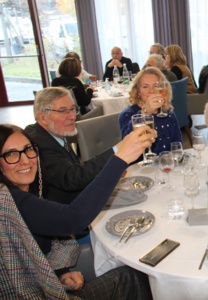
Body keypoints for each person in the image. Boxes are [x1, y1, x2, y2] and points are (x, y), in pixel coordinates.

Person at [0, 124, 154, 298]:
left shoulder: (26, 193)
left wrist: (60, 273)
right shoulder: (10, 201)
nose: (25, 160)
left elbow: (35, 246)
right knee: (135, 276)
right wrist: (120, 159)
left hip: (47, 283)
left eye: (28, 149)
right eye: (11, 154)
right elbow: (72, 219)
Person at [25, 87, 153, 205]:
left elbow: (77, 170)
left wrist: (110, 170)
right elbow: (72, 178)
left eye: (73, 109)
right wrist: (119, 150)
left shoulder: (54, 133)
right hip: (67, 215)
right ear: (42, 118)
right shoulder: (37, 144)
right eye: (63, 111)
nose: (73, 116)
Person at [119, 67, 182, 155]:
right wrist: (145, 112)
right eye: (145, 87)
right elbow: (125, 148)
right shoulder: (128, 114)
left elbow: (177, 146)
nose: (151, 91)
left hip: (167, 165)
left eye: (156, 86)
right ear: (138, 92)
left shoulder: (168, 113)